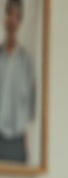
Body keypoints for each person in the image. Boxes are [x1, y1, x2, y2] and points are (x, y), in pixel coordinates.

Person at [0, 0, 35, 164]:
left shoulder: (26, 61)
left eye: (16, 16)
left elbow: (30, 105)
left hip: (18, 141)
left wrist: (27, 144)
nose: (11, 20)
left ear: (20, 21)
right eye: (9, 14)